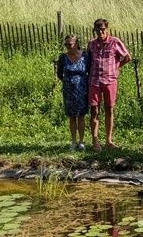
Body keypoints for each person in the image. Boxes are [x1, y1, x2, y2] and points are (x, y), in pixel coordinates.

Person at [87, 19, 131, 152]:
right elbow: (88, 60)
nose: (100, 32)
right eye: (97, 30)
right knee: (94, 110)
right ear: (94, 30)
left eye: (102, 30)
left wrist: (116, 67)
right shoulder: (91, 44)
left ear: (107, 29)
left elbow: (127, 57)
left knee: (109, 109)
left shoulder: (114, 42)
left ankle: (108, 140)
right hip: (94, 80)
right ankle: (95, 140)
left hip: (110, 80)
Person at [56, 35, 89, 151]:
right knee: (71, 117)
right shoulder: (63, 57)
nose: (68, 46)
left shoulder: (85, 56)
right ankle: (73, 142)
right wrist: (69, 82)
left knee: (81, 116)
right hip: (69, 91)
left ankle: (81, 141)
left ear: (76, 43)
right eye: (66, 44)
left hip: (82, 90)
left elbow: (89, 71)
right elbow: (59, 74)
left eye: (70, 44)